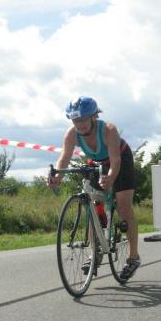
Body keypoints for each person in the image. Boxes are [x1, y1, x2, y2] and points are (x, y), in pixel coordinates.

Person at [49, 97, 140, 280]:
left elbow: (116, 161)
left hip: (120, 160)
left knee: (124, 208)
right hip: (97, 163)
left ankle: (133, 257)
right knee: (92, 205)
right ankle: (94, 251)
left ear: (93, 117)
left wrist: (111, 177)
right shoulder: (71, 134)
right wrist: (57, 176)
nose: (79, 124)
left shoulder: (108, 130)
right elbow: (64, 157)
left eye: (83, 119)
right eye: (75, 120)